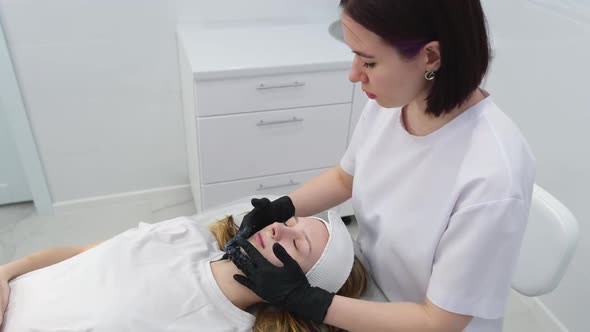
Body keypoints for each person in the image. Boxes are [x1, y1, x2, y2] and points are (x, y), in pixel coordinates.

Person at [226, 1, 536, 331]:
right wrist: (281, 208)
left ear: (430, 57)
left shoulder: (491, 177)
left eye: (369, 61)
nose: (354, 74)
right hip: (375, 291)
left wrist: (307, 300)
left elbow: (438, 321)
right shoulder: (397, 100)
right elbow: (345, 179)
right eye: (355, 55)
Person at [0, 211, 367, 332]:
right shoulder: (186, 232)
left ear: (295, 288)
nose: (278, 229)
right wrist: (7, 271)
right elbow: (81, 254)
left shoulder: (221, 325)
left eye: (296, 244)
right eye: (289, 221)